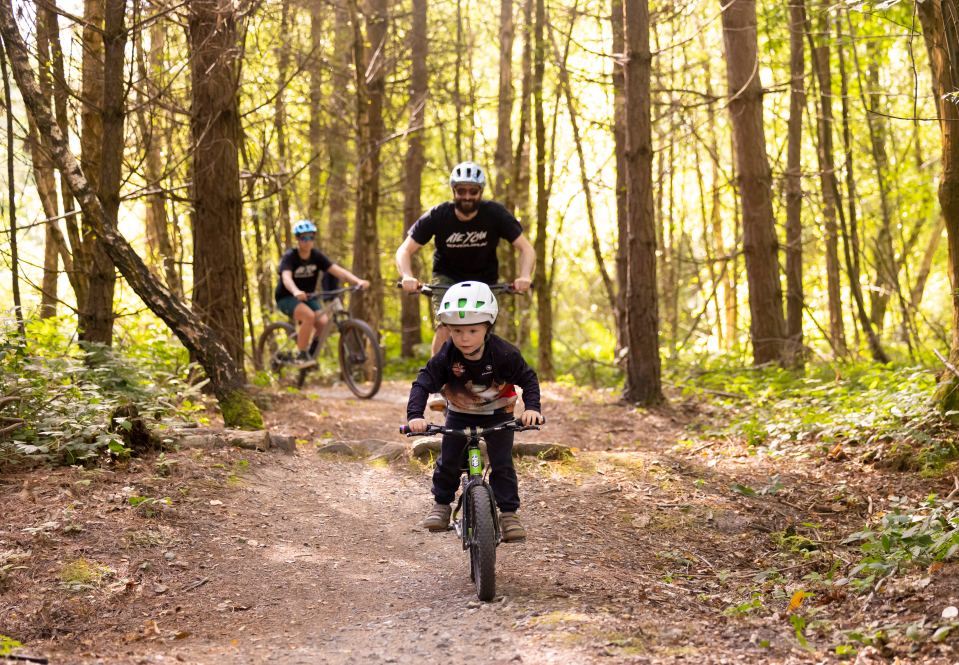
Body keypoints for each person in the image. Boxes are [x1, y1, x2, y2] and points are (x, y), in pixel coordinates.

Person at [405, 281, 544, 543]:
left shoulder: (503, 354)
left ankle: (509, 514)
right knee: (449, 461)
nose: (464, 338)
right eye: (457, 331)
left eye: (472, 330)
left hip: (499, 413)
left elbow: (528, 379)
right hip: (460, 412)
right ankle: (442, 505)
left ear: (487, 327)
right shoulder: (447, 356)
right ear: (448, 330)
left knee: (502, 463)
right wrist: (415, 415)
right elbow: (423, 381)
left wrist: (532, 409)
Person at [396, 161, 536, 356]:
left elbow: (526, 249)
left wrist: (525, 276)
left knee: (482, 329)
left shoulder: (495, 214)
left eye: (473, 191)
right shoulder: (438, 215)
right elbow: (404, 250)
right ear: (454, 191)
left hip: (485, 281)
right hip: (446, 279)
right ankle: (437, 380)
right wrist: (407, 276)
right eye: (462, 191)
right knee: (447, 324)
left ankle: (485, 379)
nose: (467, 196)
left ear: (481, 192)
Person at [275, 220, 370, 368]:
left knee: (324, 323)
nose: (307, 241)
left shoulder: (316, 256)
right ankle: (301, 354)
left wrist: (357, 281)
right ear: (298, 239)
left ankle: (310, 355)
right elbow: (286, 277)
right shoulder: (290, 257)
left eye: (310, 237)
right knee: (309, 316)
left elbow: (338, 271)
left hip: (308, 297)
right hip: (287, 297)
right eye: (303, 238)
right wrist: (295, 291)